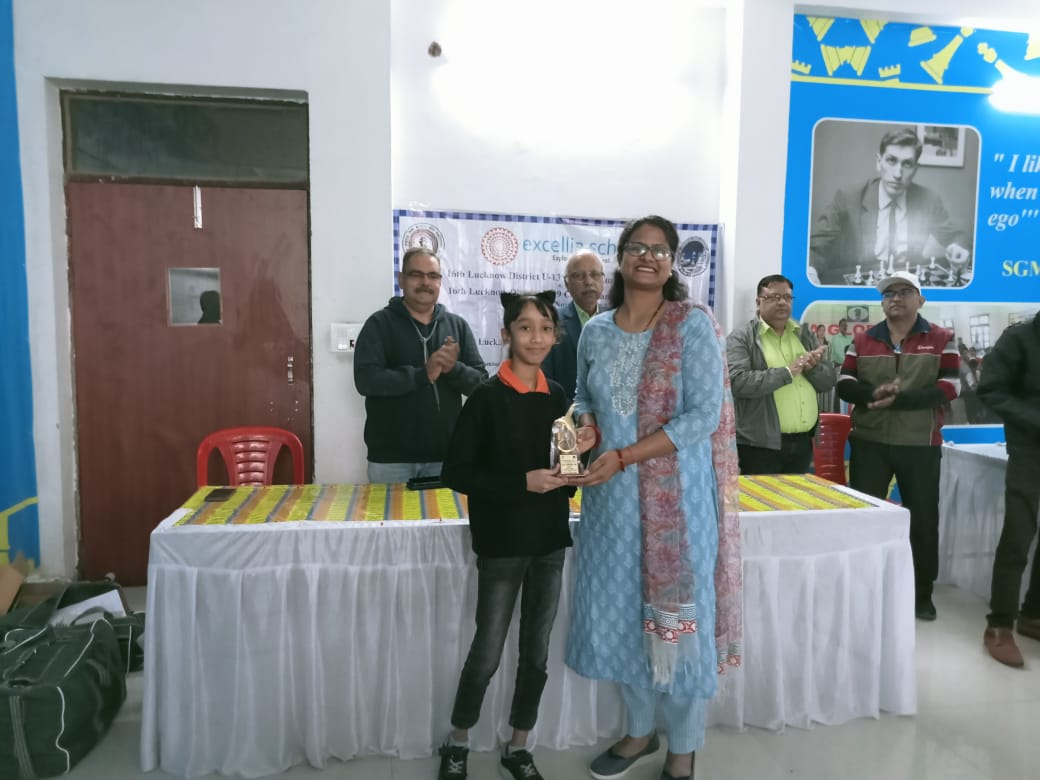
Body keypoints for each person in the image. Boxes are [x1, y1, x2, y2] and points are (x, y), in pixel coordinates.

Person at [565, 216, 741, 780]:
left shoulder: (692, 325)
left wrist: (624, 455)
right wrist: (587, 428)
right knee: (623, 616)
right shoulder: (596, 330)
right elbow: (582, 395)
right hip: (611, 506)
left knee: (678, 624)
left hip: (678, 506)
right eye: (637, 247)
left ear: (671, 263)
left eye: (660, 249)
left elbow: (703, 416)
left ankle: (683, 748)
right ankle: (639, 731)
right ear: (620, 258)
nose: (648, 256)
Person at [437, 292, 595, 780]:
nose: (536, 338)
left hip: (549, 541)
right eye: (525, 328)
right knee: (487, 651)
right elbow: (457, 472)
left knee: (536, 653)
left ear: (556, 335)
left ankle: (519, 744)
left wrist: (581, 453)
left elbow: (565, 468)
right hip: (502, 542)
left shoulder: (558, 395)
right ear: (506, 335)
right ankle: (457, 741)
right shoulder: (486, 397)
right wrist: (521, 482)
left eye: (545, 329)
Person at [836, 270, 959, 621]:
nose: (895, 298)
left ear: (920, 299)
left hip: (920, 444)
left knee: (922, 520)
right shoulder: (862, 340)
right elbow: (844, 382)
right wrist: (875, 393)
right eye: (889, 293)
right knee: (864, 519)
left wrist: (900, 400)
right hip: (869, 442)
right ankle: (862, 590)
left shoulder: (943, 338)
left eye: (905, 291)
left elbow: (951, 387)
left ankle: (922, 595)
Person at [353, 247, 487, 483]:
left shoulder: (457, 326)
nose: (426, 282)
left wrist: (453, 368)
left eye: (433, 276)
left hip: (446, 456)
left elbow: (481, 386)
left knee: (448, 510)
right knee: (389, 510)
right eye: (416, 275)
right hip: (390, 461)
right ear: (401, 280)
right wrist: (422, 375)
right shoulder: (379, 324)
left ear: (440, 282)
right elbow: (366, 381)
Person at [809, 127, 971, 286]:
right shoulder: (848, 198)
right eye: (891, 161)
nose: (898, 174)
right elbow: (816, 247)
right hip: (863, 284)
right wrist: (810, 272)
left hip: (907, 285)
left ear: (915, 169)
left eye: (907, 164)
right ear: (879, 162)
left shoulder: (928, 199)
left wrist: (958, 249)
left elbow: (957, 237)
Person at [976, 312, 1040, 668]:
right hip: (1030, 449)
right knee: (1019, 533)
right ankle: (999, 624)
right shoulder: (1020, 337)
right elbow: (991, 389)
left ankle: (1033, 614)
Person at [726, 275, 835, 475]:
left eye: (787, 297)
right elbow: (737, 382)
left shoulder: (804, 334)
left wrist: (813, 368)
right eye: (774, 297)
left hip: (803, 442)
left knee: (796, 496)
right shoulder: (741, 338)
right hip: (759, 447)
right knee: (763, 497)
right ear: (758, 302)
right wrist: (787, 372)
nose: (782, 302)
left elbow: (828, 382)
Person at [543, 250, 606, 398]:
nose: (588, 282)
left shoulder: (618, 320)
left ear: (603, 280)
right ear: (567, 283)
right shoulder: (551, 323)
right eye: (578, 276)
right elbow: (546, 381)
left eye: (595, 274)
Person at [827, 318, 854, 411]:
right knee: (839, 391)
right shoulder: (835, 338)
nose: (845, 327)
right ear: (839, 327)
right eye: (843, 325)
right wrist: (847, 362)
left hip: (849, 368)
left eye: (846, 326)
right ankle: (838, 411)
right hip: (839, 367)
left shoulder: (850, 338)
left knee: (849, 389)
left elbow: (852, 352)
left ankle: (847, 412)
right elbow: (838, 354)